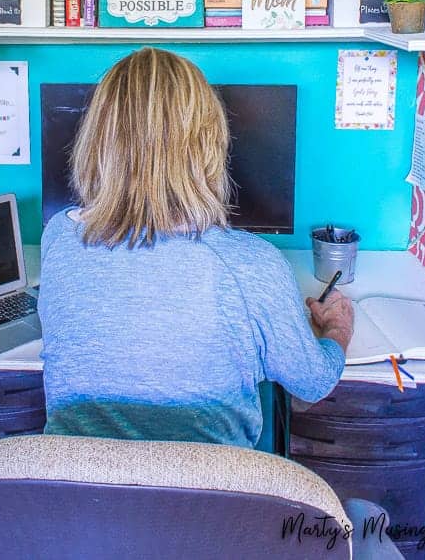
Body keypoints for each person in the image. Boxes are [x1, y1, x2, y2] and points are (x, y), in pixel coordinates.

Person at [38, 48, 354, 448]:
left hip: (80, 498)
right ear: (208, 143)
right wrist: (336, 329)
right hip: (213, 504)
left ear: (98, 140)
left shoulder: (59, 240)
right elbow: (311, 384)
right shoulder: (251, 265)